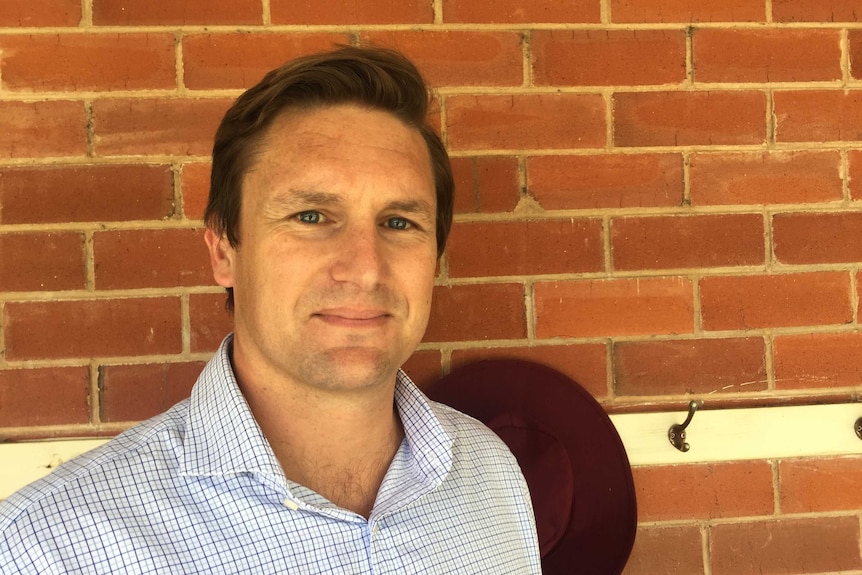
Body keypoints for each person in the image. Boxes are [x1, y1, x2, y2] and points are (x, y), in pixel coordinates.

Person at [0, 46, 541, 573]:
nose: (365, 269)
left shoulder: (489, 472)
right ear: (223, 251)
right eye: (311, 215)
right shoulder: (47, 548)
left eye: (400, 222)